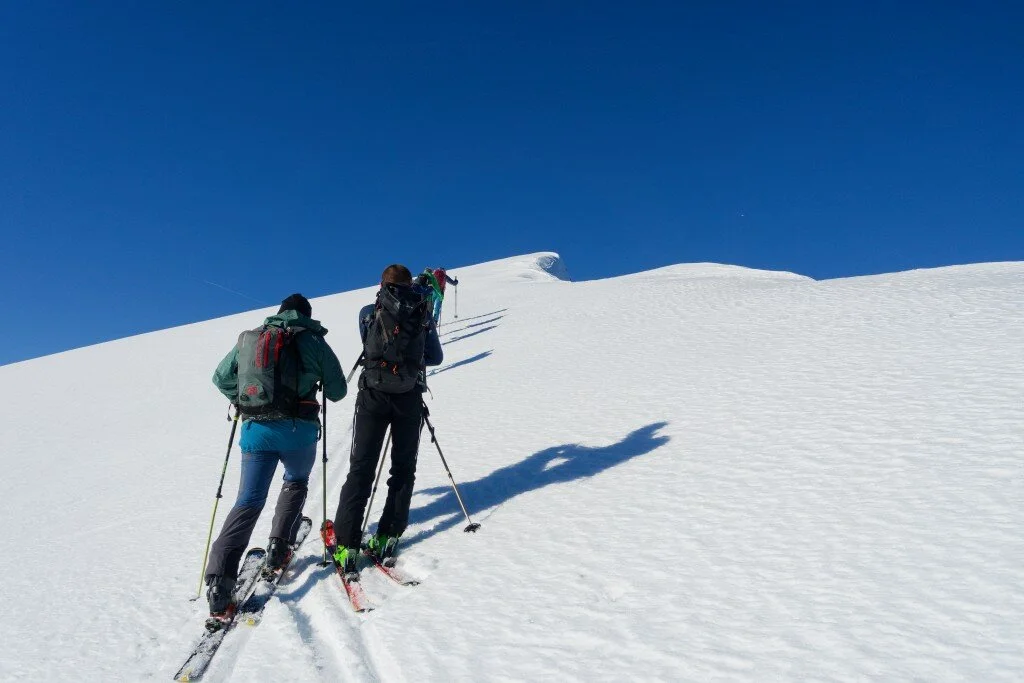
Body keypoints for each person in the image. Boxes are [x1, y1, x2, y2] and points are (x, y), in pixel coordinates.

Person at [205, 293, 347, 615]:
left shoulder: (253, 339)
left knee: (248, 501)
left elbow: (220, 377)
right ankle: (278, 546)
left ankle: (220, 580)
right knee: (295, 482)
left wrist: (242, 399)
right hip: (299, 433)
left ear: (279, 312)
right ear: (307, 315)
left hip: (256, 433)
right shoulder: (313, 341)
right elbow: (338, 392)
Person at [324, 264, 443, 574]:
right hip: (409, 396)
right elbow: (435, 357)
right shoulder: (422, 310)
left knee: (361, 468)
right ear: (410, 283)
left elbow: (368, 343)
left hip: (373, 395)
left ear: (382, 283)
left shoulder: (369, 310)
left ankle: (347, 544)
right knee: (403, 468)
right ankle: (388, 536)